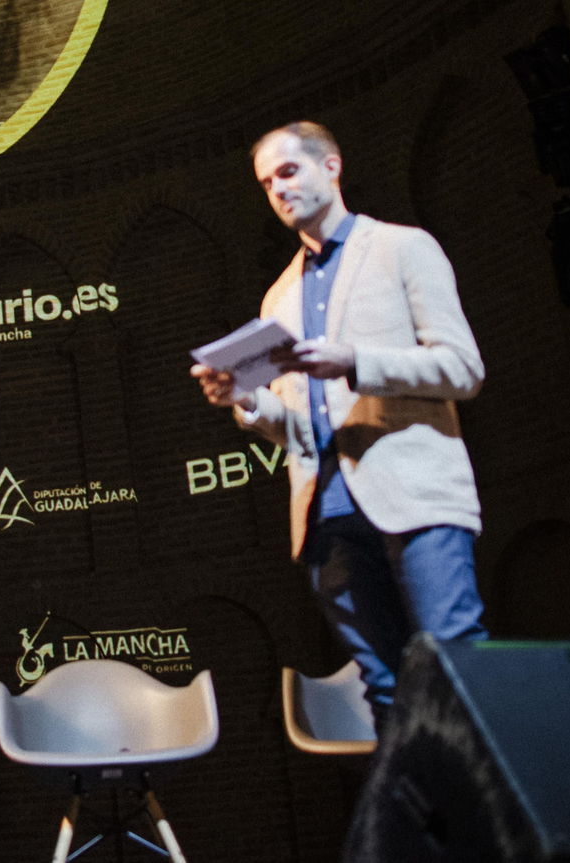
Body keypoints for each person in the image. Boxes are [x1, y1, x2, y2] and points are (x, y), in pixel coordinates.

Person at [190, 122, 488, 731]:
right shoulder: (279, 297)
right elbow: (295, 426)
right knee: (385, 694)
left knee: (459, 671)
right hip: (325, 512)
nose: (278, 190)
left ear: (332, 167)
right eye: (266, 183)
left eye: (289, 171)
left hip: (415, 495)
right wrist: (242, 400)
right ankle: (412, 828)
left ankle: (496, 826)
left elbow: (463, 369)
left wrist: (356, 362)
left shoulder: (404, 248)